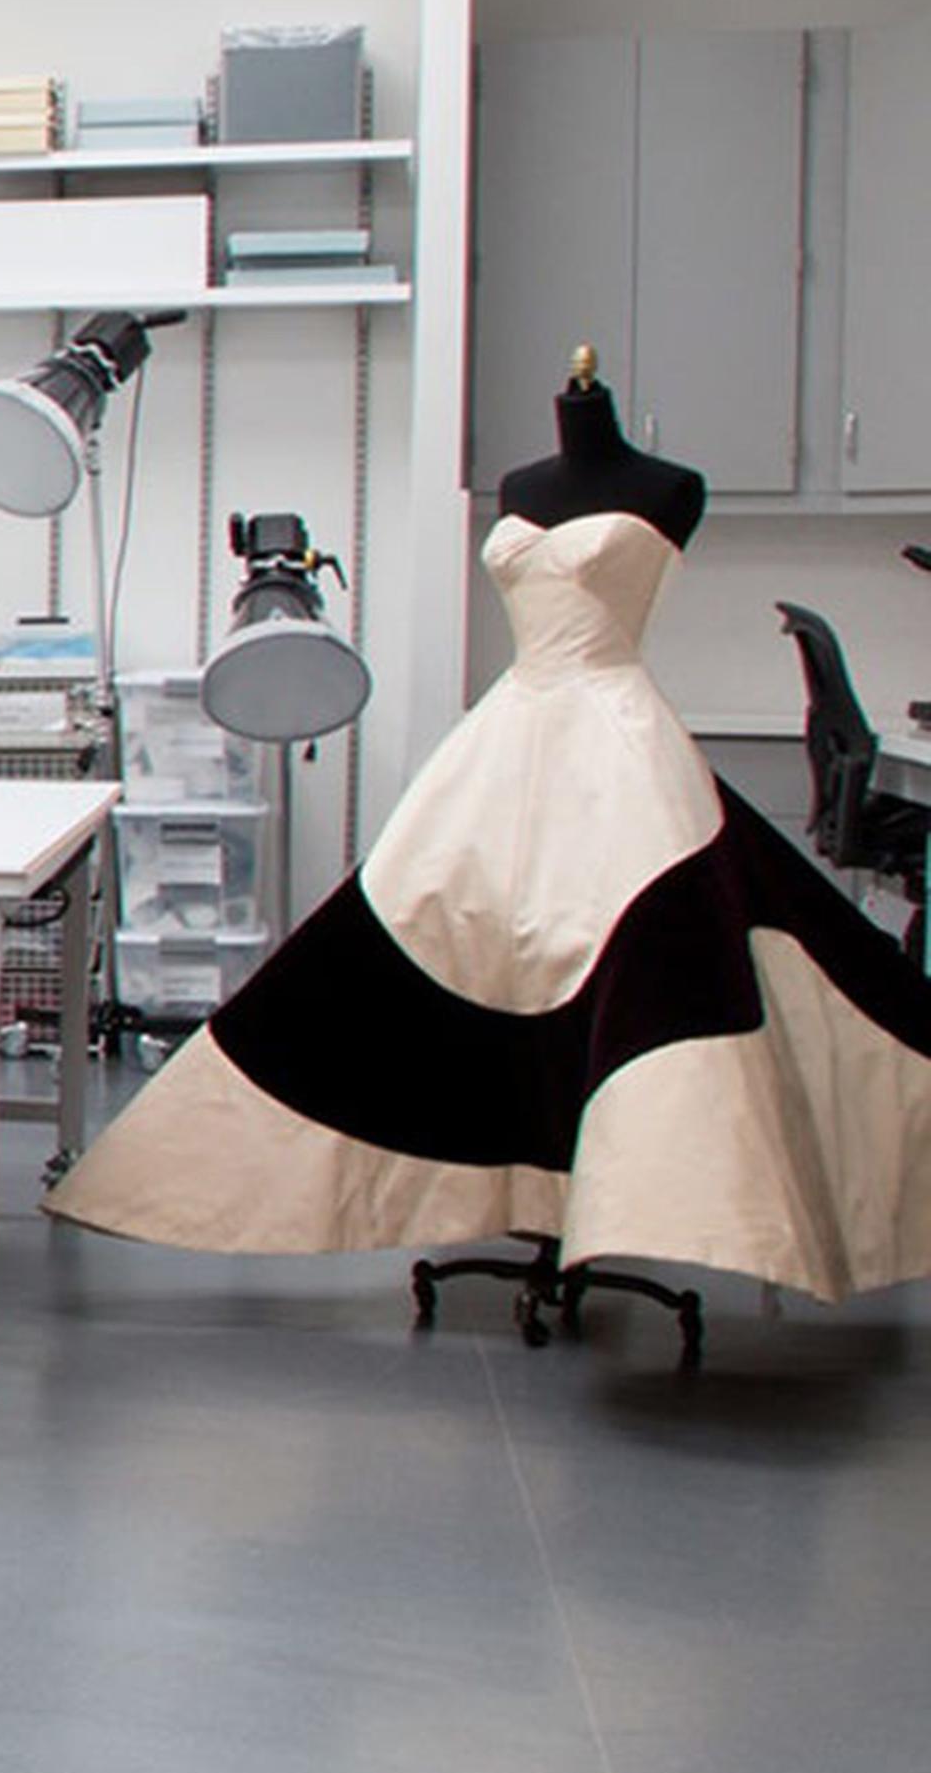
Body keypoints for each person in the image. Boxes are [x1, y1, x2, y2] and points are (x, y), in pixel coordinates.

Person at [47, 351, 931, 1303]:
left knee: (649, 977)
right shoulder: (519, 486)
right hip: (510, 739)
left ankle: (631, 1201)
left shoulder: (673, 489)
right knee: (397, 948)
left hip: (621, 751)